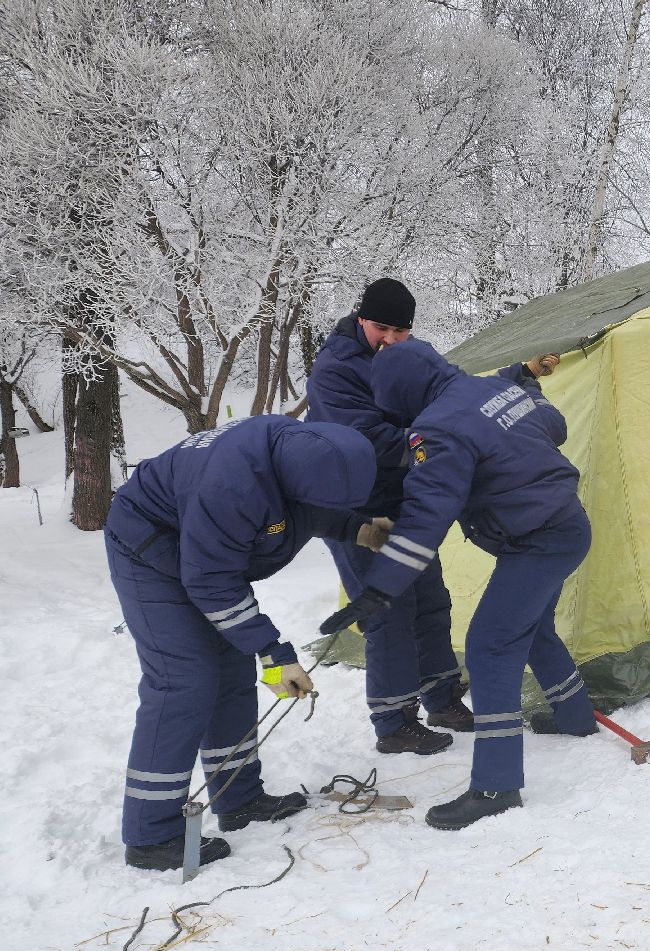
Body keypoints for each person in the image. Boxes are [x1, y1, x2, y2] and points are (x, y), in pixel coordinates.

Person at [319, 339, 596, 830]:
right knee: (531, 627)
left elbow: (427, 516)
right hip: (568, 524)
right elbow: (554, 426)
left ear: (401, 395)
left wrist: (379, 588)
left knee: (489, 647)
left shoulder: (436, 428)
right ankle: (575, 717)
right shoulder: (497, 389)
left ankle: (496, 785)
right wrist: (527, 390)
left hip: (537, 541)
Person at [106, 416, 385, 870]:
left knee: (233, 674)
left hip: (205, 552)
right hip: (149, 550)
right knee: (184, 681)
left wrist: (361, 528)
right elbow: (211, 581)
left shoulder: (309, 454)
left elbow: (314, 507)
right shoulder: (231, 487)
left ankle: (239, 800)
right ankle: (151, 835)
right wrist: (276, 654)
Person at [306, 278, 470, 757]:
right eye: (382, 328)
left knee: (430, 598)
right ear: (362, 318)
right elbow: (366, 439)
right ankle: (394, 721)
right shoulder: (335, 369)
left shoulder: (411, 352)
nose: (392, 340)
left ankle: (442, 698)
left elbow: (450, 391)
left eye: (402, 331)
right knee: (387, 609)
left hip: (403, 500)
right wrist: (430, 444)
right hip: (351, 506)